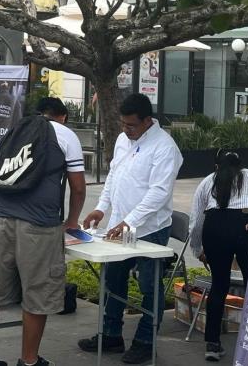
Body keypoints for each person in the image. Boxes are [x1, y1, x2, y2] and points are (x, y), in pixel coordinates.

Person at [0, 97, 86, 366]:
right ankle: (29, 361)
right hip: (40, 226)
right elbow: (78, 187)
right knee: (37, 294)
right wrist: (71, 221)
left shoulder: (16, 129)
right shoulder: (66, 135)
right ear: (63, 116)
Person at [78, 93, 183, 364]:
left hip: (150, 228)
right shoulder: (124, 139)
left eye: (132, 125)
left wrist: (130, 220)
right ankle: (111, 334)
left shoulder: (165, 147)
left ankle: (146, 342)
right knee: (112, 280)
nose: (126, 130)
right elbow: (114, 175)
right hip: (118, 225)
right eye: (123, 124)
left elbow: (158, 193)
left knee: (150, 286)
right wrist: (102, 207)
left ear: (148, 121)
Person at [188, 149, 248, 361]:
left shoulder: (208, 181)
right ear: (241, 165)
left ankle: (212, 344)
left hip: (216, 229)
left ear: (216, 166)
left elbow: (195, 221)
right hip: (247, 226)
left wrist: (198, 249)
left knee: (219, 285)